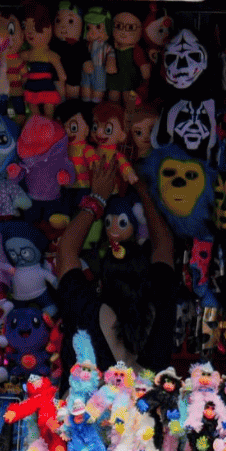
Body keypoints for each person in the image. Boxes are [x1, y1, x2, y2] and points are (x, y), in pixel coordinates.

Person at [54, 158, 179, 378]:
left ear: (101, 284)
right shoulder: (160, 303)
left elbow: (66, 249)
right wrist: (142, 190)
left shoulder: (86, 309)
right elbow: (164, 245)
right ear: (147, 278)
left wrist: (97, 198)